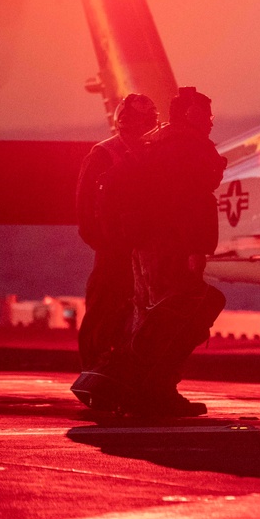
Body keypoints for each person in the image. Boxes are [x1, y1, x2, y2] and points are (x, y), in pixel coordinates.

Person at [72, 87, 228, 417]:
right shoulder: (159, 150)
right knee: (128, 319)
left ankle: (128, 388)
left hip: (137, 248)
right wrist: (114, 245)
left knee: (146, 320)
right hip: (130, 252)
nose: (211, 122)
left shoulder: (152, 150)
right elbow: (183, 204)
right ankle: (116, 387)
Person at [75, 94, 158, 373]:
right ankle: (94, 367)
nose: (142, 128)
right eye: (138, 122)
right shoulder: (104, 154)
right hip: (114, 248)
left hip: (145, 247)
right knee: (104, 306)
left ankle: (128, 369)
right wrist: (106, 243)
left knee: (139, 310)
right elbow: (85, 206)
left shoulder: (154, 153)